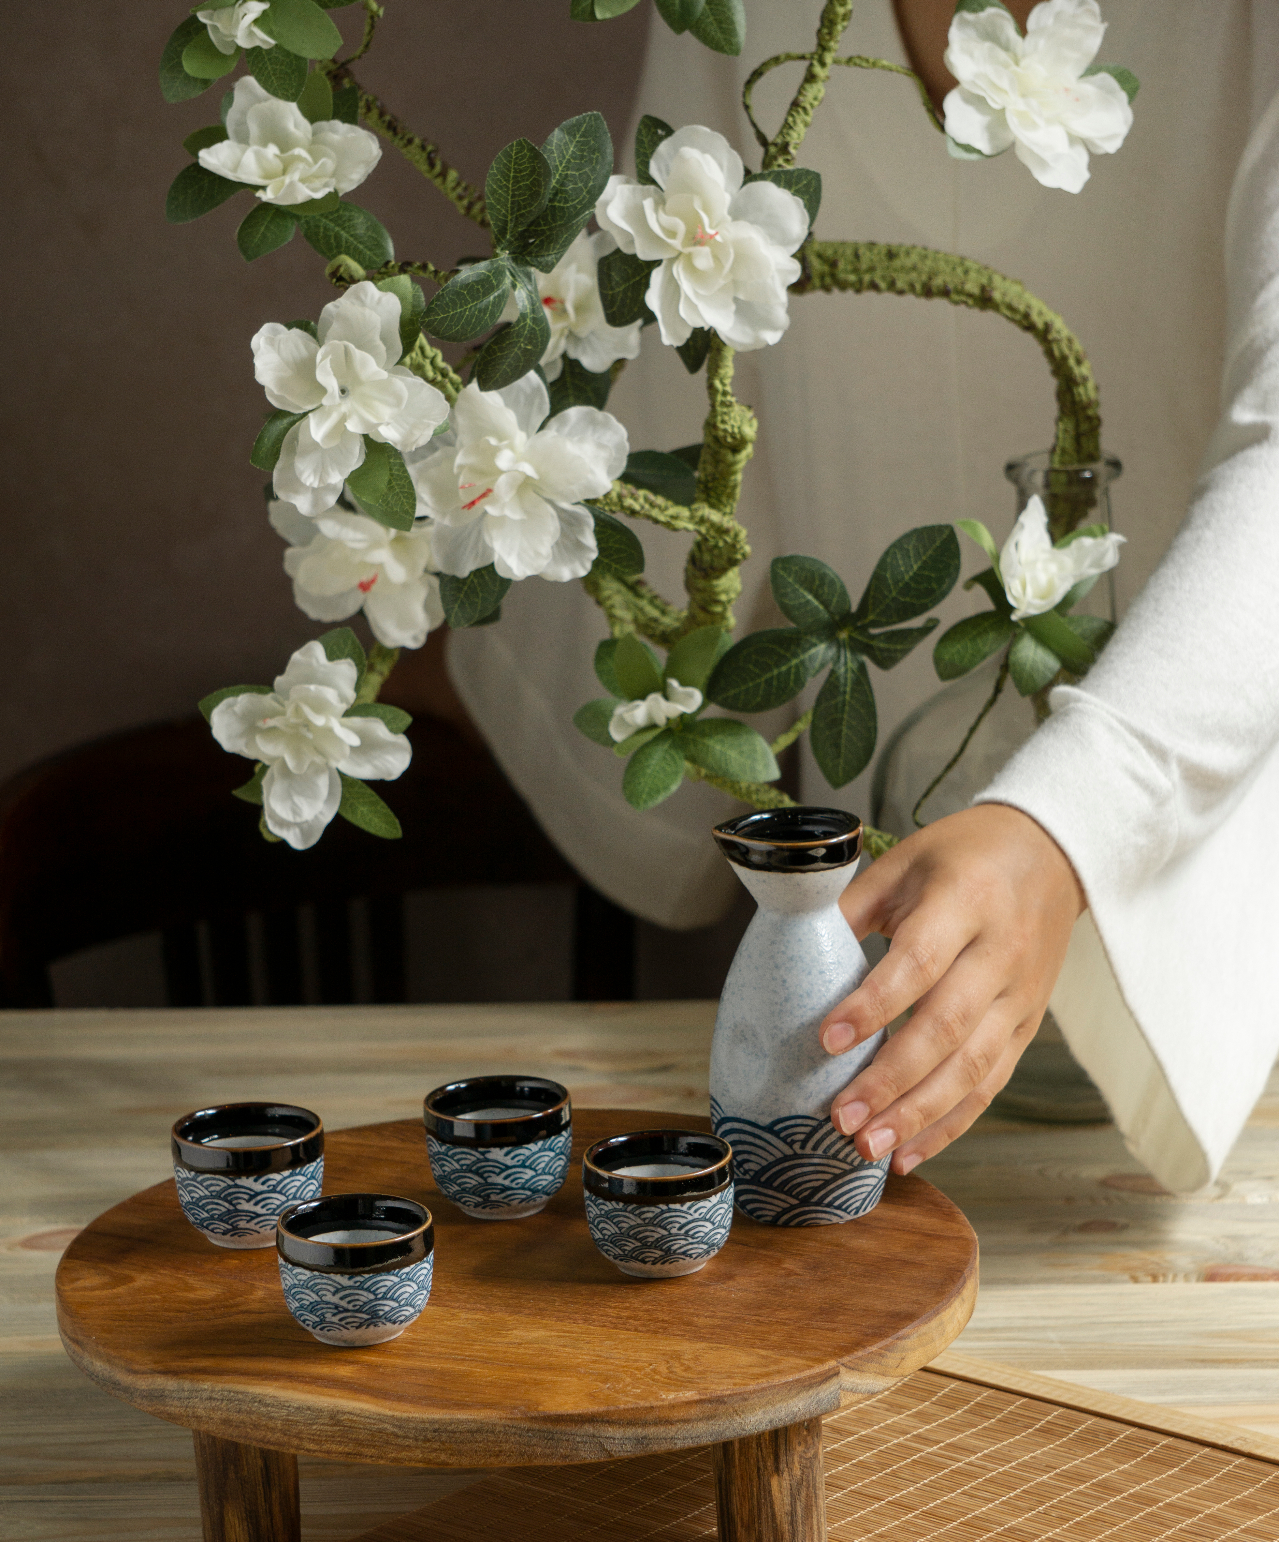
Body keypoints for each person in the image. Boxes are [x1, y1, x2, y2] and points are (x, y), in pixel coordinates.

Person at [429, 0, 1279, 1194]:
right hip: (877, 1038)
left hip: (1231, 1046)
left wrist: (1063, 832)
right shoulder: (742, 20)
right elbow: (678, 405)